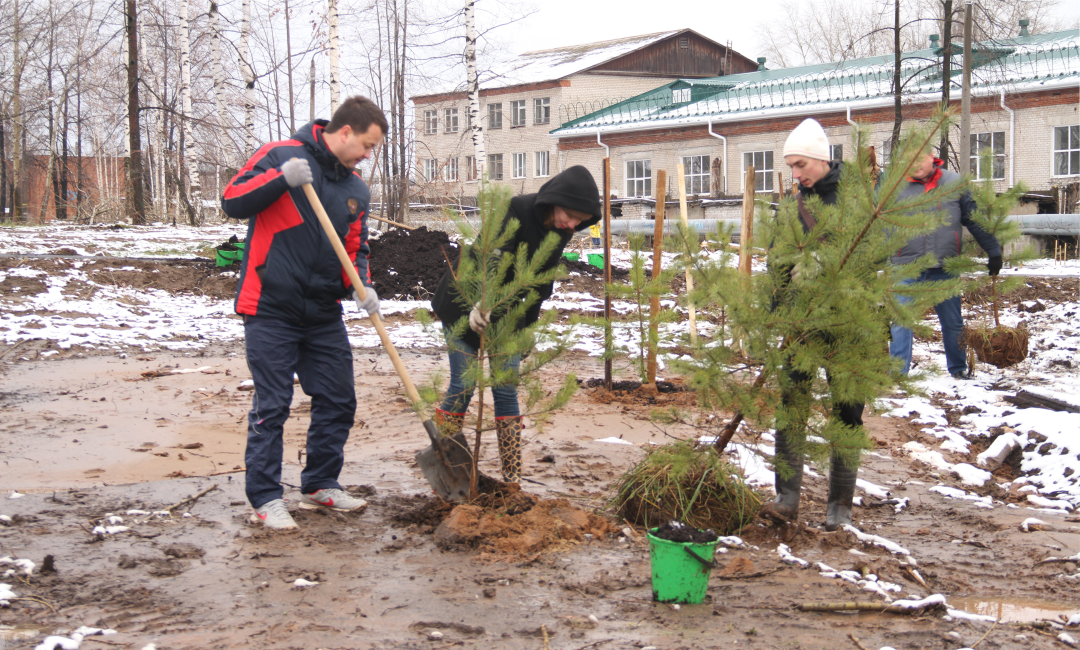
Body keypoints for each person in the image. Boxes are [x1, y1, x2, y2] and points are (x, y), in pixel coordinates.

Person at [221, 96, 388, 530]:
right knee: (272, 405)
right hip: (270, 306)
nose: (367, 156)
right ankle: (265, 497)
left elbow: (355, 247)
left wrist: (362, 285)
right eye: (367, 146)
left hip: (322, 312)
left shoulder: (356, 189)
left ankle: (319, 483)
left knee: (338, 398)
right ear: (346, 132)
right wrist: (281, 179)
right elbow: (232, 199)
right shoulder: (282, 155)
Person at [430, 165, 602, 483]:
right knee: (463, 385)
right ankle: (447, 464)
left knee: (506, 389)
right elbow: (493, 257)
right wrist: (484, 301)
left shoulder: (561, 230)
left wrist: (527, 330)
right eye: (570, 215)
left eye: (579, 221)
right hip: (464, 301)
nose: (572, 224)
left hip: (508, 314)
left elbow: (539, 282)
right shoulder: (516, 209)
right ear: (555, 200)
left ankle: (512, 477)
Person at [758, 118, 865, 531]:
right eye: (790, 167)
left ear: (822, 160)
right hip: (801, 322)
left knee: (847, 409)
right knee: (792, 405)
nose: (795, 174)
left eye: (800, 165)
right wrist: (776, 308)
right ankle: (786, 498)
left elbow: (878, 253)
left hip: (849, 320)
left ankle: (840, 506)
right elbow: (776, 260)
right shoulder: (792, 206)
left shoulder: (859, 199)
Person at [889, 154, 1002, 379]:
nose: (914, 164)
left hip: (945, 266)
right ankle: (897, 374)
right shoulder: (894, 187)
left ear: (931, 157)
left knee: (952, 322)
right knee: (901, 321)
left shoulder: (954, 183)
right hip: (906, 265)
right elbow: (879, 224)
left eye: (919, 158)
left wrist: (993, 250)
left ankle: (958, 369)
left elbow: (973, 218)